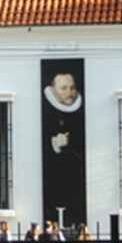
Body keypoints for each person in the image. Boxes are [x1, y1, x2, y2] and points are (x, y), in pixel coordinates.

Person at [42, 68, 87, 227]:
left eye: (72, 87)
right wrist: (54, 144)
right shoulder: (47, 111)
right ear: (52, 90)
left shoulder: (80, 109)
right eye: (63, 88)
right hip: (55, 181)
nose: (70, 92)